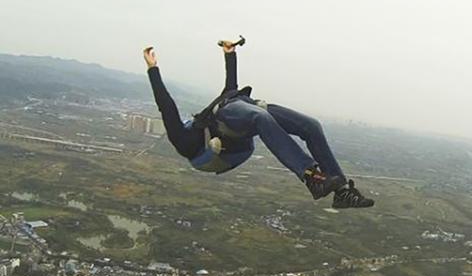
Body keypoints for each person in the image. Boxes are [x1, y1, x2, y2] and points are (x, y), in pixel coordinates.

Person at [143, 40, 374, 208]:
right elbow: (166, 106)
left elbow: (230, 90)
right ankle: (310, 175)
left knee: (311, 126)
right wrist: (153, 69)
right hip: (233, 116)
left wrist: (230, 55)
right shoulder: (184, 140)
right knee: (259, 117)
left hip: (242, 106)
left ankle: (342, 191)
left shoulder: (200, 127)